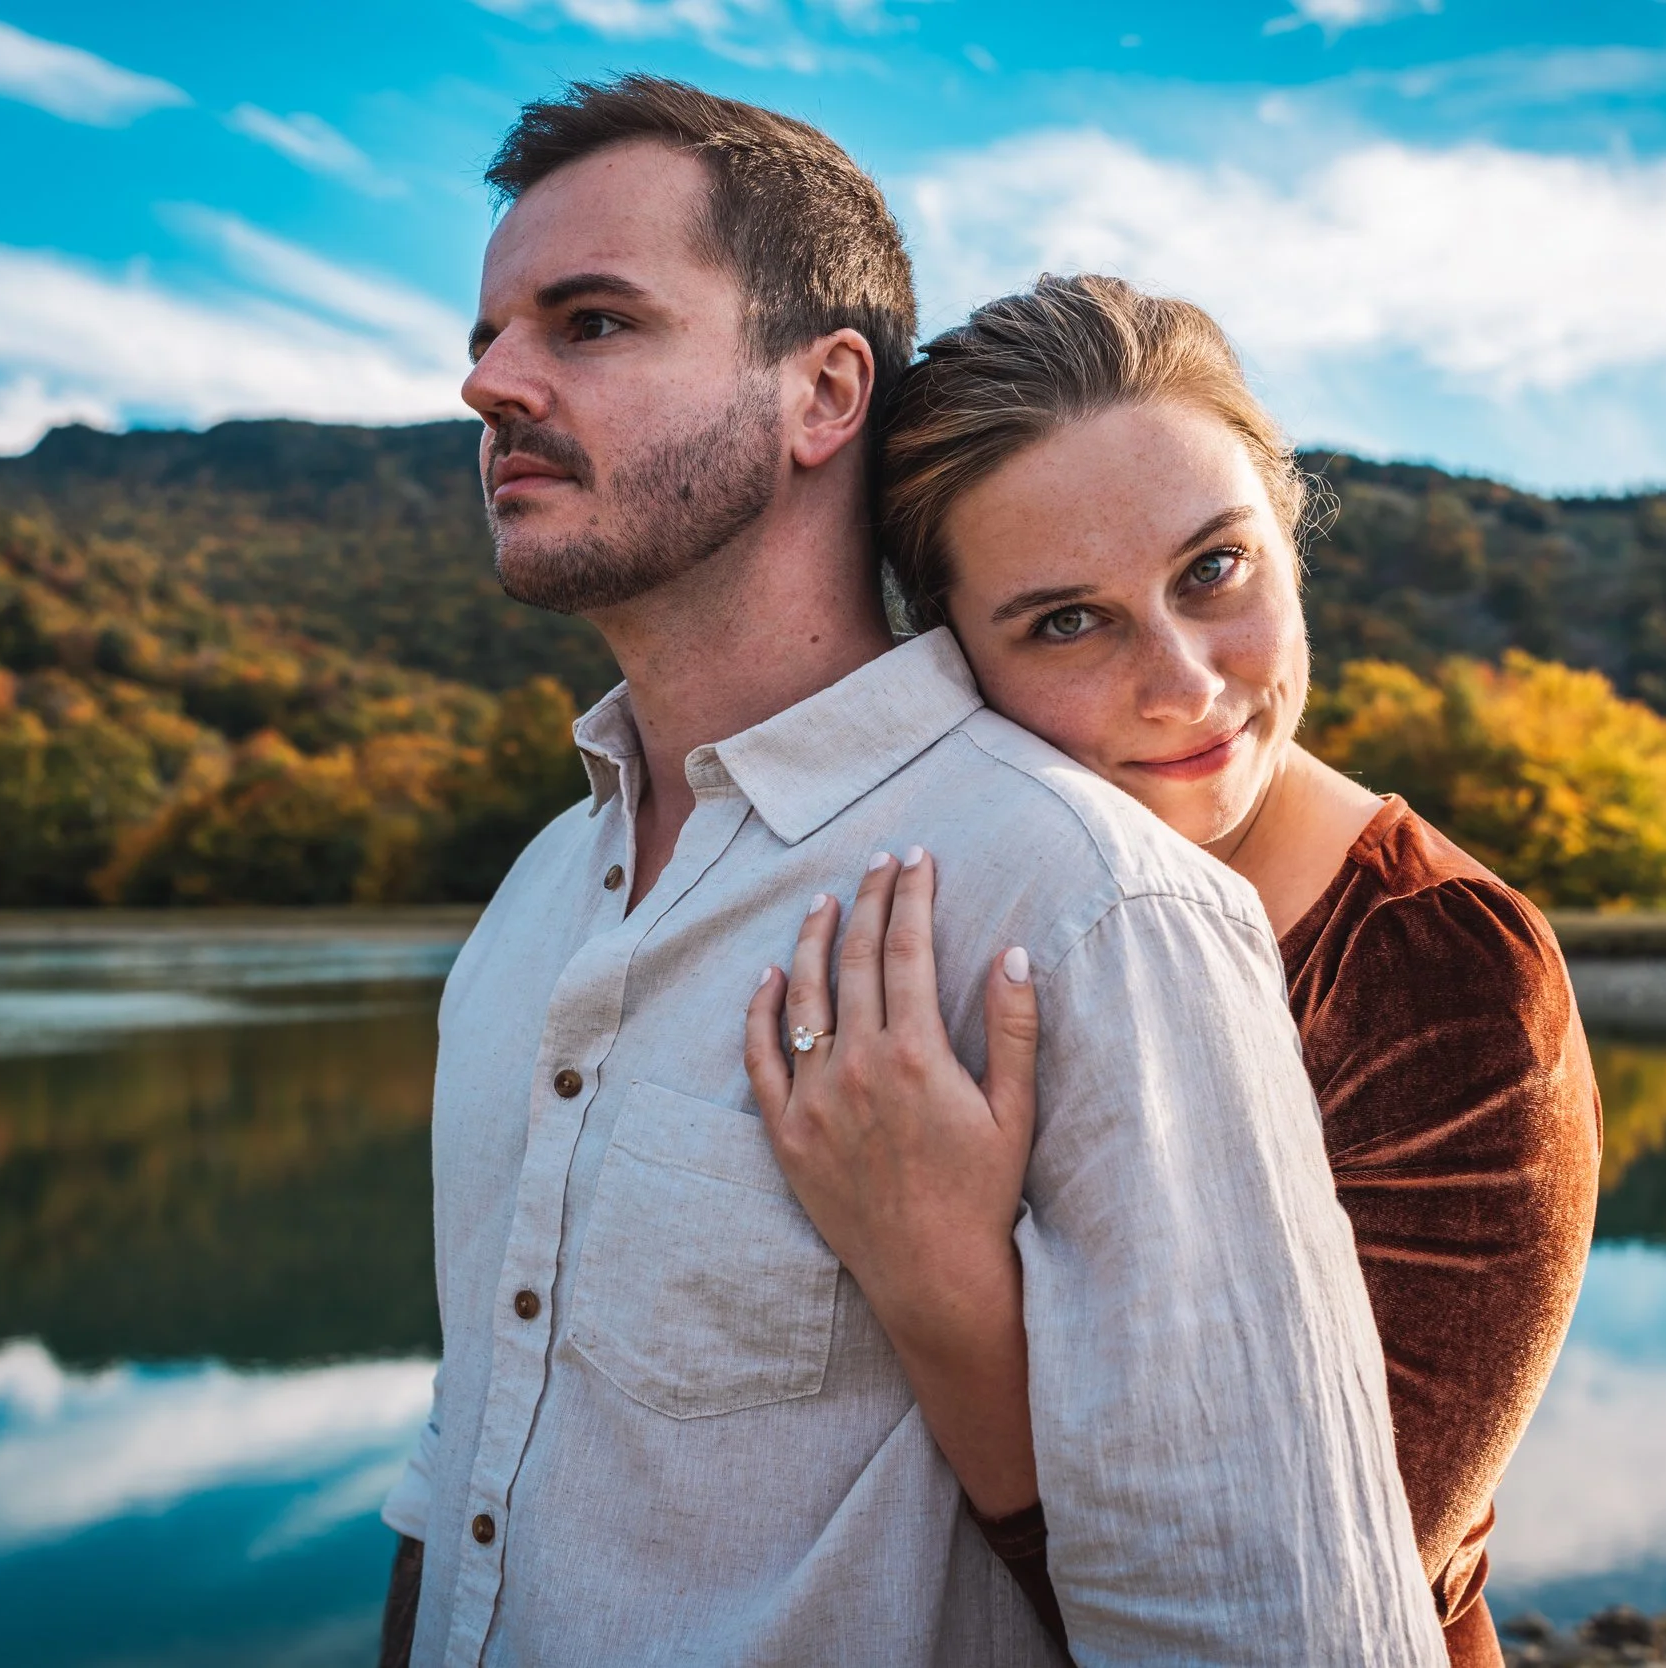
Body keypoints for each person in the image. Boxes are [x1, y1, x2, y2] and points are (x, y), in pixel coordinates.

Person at [376, 78, 1447, 1667]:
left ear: (822, 394)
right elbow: (471, 1468)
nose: (490, 384)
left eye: (589, 323)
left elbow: (1270, 1623)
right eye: (488, 336)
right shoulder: (539, 895)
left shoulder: (1087, 907)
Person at [745, 276, 1604, 1666]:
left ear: (1287, 537)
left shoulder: (1440, 977)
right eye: (1067, 622)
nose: (1189, 686)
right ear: (949, 656)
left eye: (1216, 571)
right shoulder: (948, 893)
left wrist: (941, 1286)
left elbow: (1299, 1595)